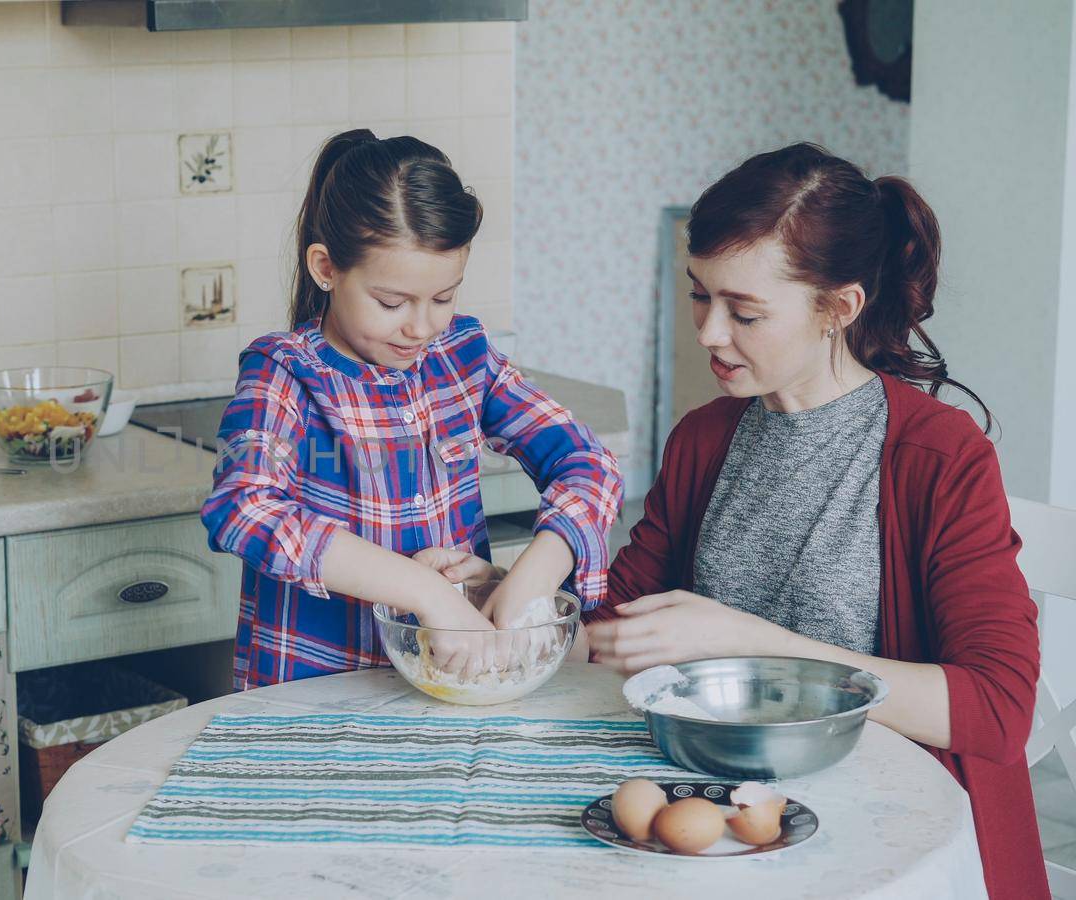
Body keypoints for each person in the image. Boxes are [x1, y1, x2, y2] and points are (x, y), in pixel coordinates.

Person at [586, 143, 1044, 899]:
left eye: (745, 312)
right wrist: (513, 595)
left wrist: (745, 642)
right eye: (701, 295)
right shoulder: (705, 437)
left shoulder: (939, 456)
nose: (708, 332)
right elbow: (616, 623)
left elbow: (997, 711)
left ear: (839, 308)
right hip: (730, 815)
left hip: (887, 830)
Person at [200, 128, 623, 689]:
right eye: (392, 302)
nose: (422, 327)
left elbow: (589, 465)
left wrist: (532, 577)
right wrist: (422, 591)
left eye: (443, 298)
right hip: (314, 696)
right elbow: (243, 507)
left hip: (449, 687)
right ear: (326, 268)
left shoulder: (463, 357)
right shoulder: (285, 372)